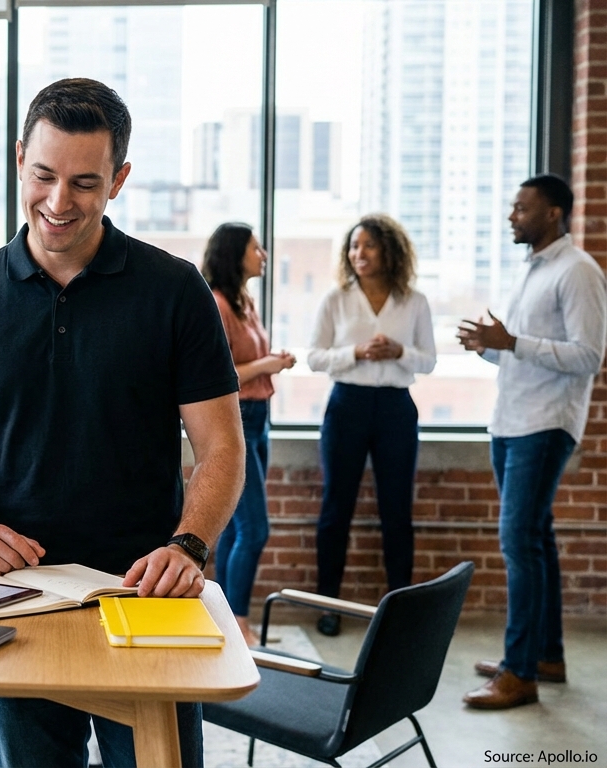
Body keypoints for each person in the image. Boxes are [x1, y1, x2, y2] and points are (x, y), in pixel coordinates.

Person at [0, 78, 244, 768]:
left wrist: (189, 545)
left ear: (119, 179)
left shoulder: (175, 290)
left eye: (85, 182)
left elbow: (220, 448)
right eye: (43, 176)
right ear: (18, 161)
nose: (59, 202)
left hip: (147, 593)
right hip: (19, 599)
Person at [458, 174, 607, 710]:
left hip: (546, 424)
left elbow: (589, 355)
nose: (512, 216)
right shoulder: (532, 271)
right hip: (512, 420)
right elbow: (521, 351)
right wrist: (489, 347)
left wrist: (512, 340)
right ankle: (546, 654)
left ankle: (520, 673)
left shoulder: (579, 272)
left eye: (522, 208)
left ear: (554, 213)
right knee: (536, 541)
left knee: (518, 542)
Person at [306, 214, 435, 637]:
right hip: (348, 405)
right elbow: (314, 357)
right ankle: (328, 606)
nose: (358, 254)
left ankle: (401, 611)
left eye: (368, 246)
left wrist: (399, 351)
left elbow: (429, 360)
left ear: (389, 251)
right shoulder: (335, 299)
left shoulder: (414, 301)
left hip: (396, 409)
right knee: (335, 510)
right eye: (353, 247)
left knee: (396, 511)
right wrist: (355, 352)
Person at [201, 223, 295, 647]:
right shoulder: (217, 304)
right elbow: (218, 378)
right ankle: (236, 620)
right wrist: (266, 366)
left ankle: (228, 614)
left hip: (260, 417)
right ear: (236, 254)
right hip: (237, 417)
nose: (264, 254)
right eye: (257, 248)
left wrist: (269, 361)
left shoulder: (245, 302)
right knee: (254, 528)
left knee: (240, 529)